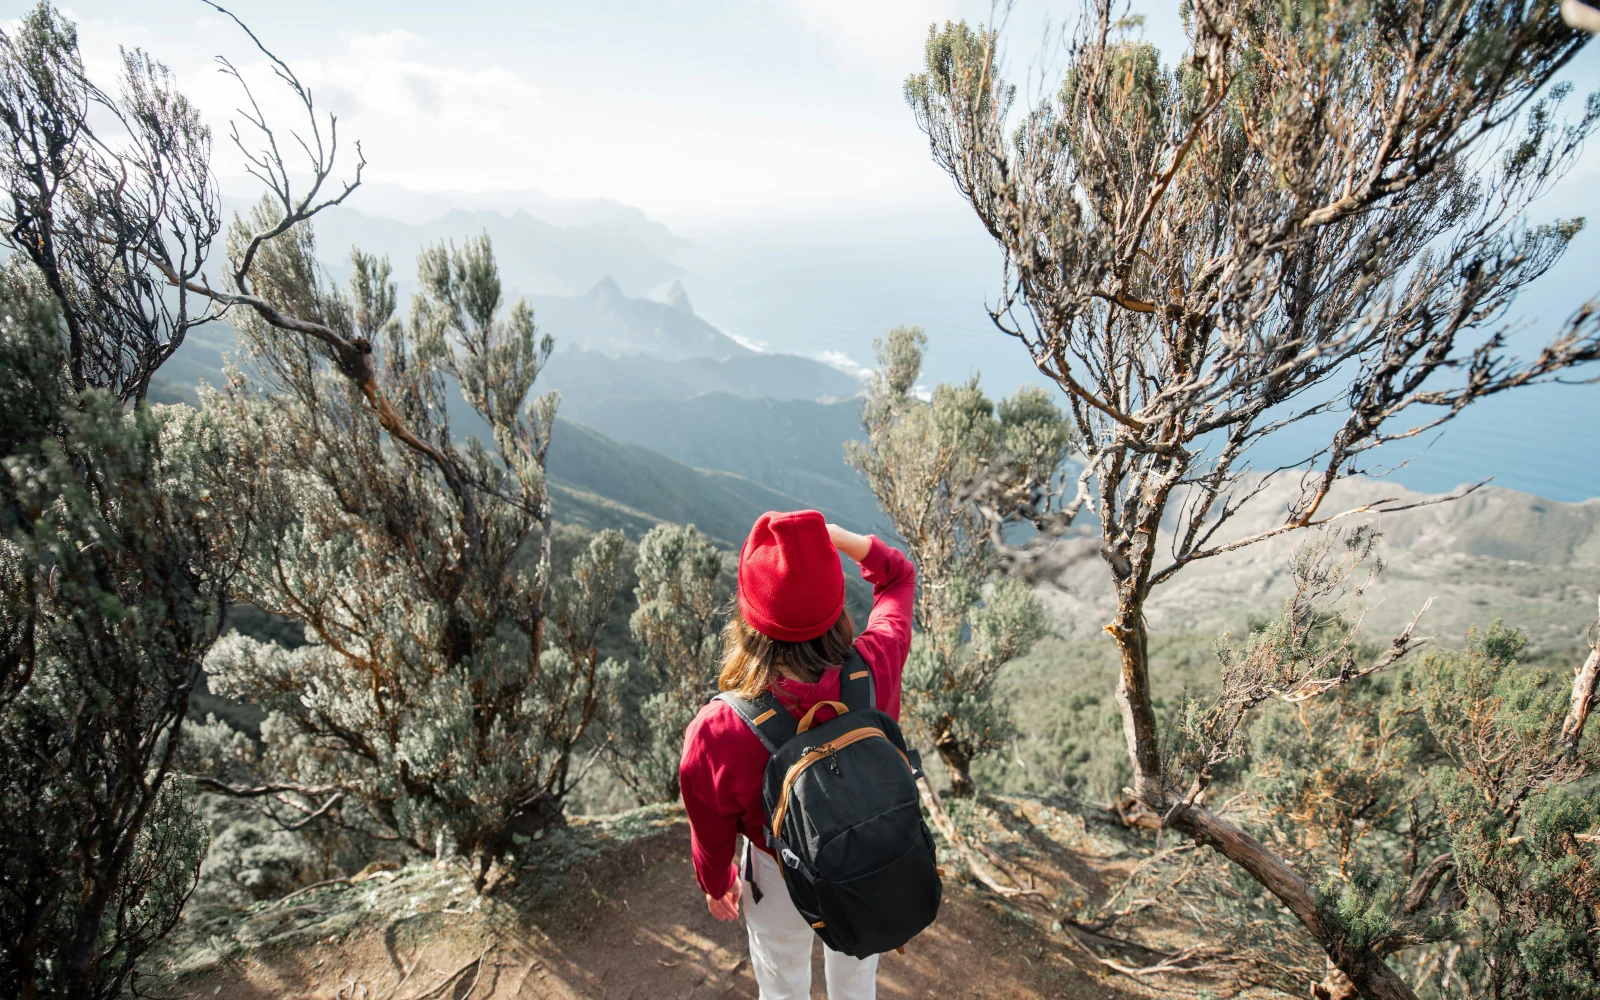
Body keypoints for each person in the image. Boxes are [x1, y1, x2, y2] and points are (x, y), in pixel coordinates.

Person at [679, 510, 915, 1000]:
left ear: (749, 621)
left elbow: (711, 824)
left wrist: (716, 878)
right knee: (855, 975)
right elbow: (899, 576)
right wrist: (842, 542)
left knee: (781, 979)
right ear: (836, 607)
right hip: (865, 858)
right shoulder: (876, 663)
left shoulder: (718, 730)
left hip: (777, 869)